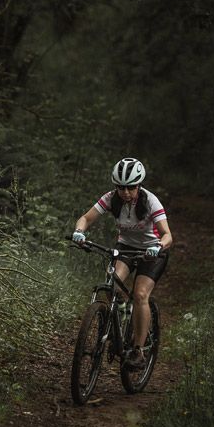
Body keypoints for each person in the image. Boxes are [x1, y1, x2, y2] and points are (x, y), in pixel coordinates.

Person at [71, 157, 173, 370]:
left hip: (152, 251)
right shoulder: (111, 198)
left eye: (130, 187)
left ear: (139, 185)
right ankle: (119, 321)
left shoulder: (151, 201)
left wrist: (158, 247)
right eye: (121, 187)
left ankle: (138, 350)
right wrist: (79, 232)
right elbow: (86, 218)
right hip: (125, 247)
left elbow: (167, 235)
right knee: (113, 284)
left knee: (140, 294)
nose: (125, 192)